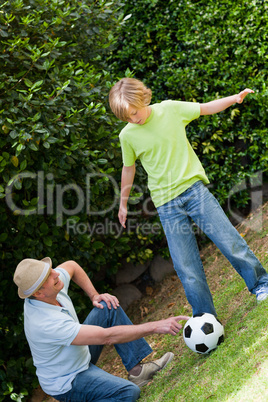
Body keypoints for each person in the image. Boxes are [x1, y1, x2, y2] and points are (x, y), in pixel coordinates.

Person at [109, 77, 268, 317]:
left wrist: (234, 98)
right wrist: (122, 203)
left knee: (229, 240)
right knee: (186, 266)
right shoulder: (127, 136)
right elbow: (128, 168)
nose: (134, 119)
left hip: (194, 191)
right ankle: (205, 317)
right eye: (127, 117)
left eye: (134, 112)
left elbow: (205, 108)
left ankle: (260, 284)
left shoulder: (170, 109)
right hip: (166, 204)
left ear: (143, 97)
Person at [13, 257, 189, 401]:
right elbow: (107, 337)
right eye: (48, 276)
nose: (56, 273)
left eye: (50, 269)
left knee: (107, 306)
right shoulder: (46, 323)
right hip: (68, 380)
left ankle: (138, 373)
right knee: (127, 393)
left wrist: (94, 295)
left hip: (78, 354)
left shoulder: (50, 288)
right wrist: (156, 326)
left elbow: (72, 266)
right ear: (38, 293)